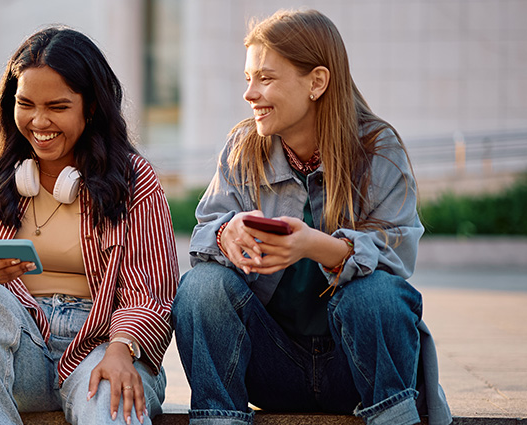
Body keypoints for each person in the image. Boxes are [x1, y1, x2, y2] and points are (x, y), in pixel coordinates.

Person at [172, 9, 451, 425]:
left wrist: (315, 246)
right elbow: (202, 235)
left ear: (317, 82)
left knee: (375, 294)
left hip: (355, 368)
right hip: (270, 366)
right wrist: (224, 235)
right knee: (201, 287)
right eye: (247, 79)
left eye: (265, 78)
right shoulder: (243, 148)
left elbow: (397, 259)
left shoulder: (377, 149)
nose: (250, 94)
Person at [0, 26, 179, 425]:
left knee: (109, 405)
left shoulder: (133, 178)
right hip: (18, 350)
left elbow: (152, 289)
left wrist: (121, 349)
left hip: (104, 342)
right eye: (26, 104)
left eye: (57, 107)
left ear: (90, 107)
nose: (39, 122)